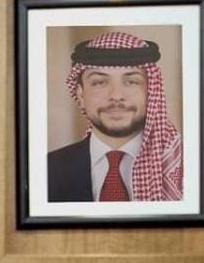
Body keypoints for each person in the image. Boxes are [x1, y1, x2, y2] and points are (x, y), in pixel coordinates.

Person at [48, 31, 183, 202]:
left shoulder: (184, 166)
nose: (116, 96)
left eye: (131, 82)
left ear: (151, 91)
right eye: (99, 82)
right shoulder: (46, 170)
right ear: (81, 95)